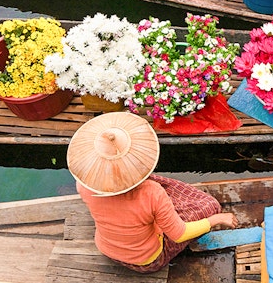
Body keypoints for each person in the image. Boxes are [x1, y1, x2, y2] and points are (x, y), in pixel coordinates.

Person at [67, 111, 239, 273]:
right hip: (148, 261)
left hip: (107, 248)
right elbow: (179, 235)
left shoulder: (84, 186)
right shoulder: (151, 192)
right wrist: (216, 219)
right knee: (210, 206)